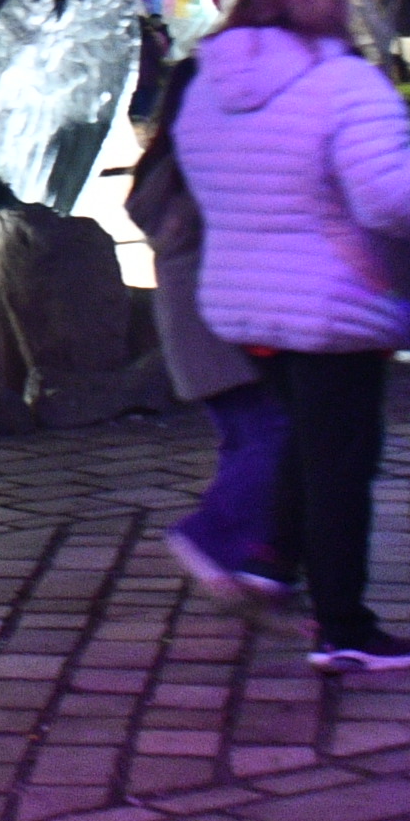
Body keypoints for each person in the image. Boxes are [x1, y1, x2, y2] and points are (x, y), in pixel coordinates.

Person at [176, 0, 410, 672]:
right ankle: (345, 627)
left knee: (302, 441)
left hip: (246, 294)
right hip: (336, 296)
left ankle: (272, 562)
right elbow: (389, 195)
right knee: (342, 466)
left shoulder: (208, 83)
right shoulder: (345, 83)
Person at [126, 49, 282, 610]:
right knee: (273, 438)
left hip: (199, 332)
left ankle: (251, 551)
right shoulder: (199, 170)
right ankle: (210, 536)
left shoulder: (168, 165)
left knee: (244, 439)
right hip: (220, 328)